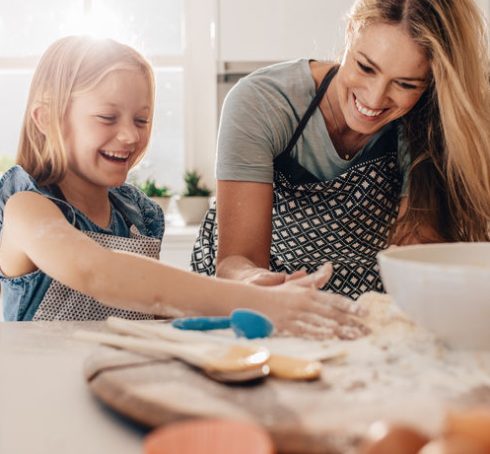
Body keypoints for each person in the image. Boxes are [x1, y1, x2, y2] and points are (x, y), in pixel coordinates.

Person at [0, 35, 366, 339]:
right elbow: (96, 271)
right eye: (107, 117)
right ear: (46, 118)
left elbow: (155, 314)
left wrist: (241, 306)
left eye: (141, 119)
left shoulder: (137, 216)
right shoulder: (26, 207)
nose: (129, 135)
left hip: (118, 385)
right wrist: (248, 300)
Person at [191, 0, 490, 299]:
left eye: (405, 84)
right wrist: (261, 287)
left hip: (360, 300)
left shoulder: (427, 125)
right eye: (365, 67)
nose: (375, 99)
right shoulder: (263, 103)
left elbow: (416, 256)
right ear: (350, 30)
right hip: (246, 298)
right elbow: (236, 260)